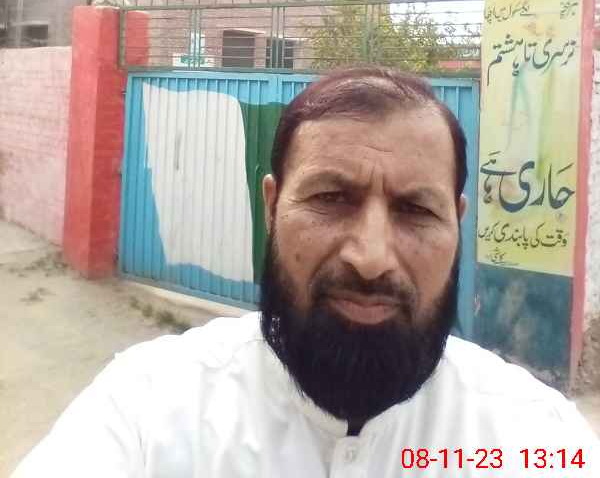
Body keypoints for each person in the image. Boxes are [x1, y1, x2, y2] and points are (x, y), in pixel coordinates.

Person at [13, 67, 598, 476]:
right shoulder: (148, 410)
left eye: (416, 210)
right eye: (330, 199)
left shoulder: (536, 439)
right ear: (271, 208)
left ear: (458, 223)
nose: (370, 257)